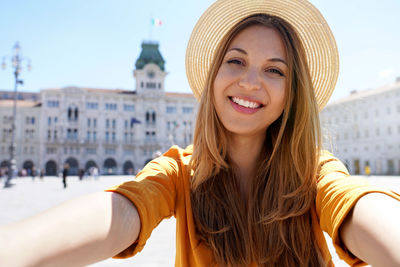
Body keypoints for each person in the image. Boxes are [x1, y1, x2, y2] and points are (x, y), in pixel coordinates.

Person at [1, 0, 400, 266]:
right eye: (235, 60)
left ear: (291, 95)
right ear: (213, 78)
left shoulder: (313, 172)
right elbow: (124, 210)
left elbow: (356, 204)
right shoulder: (177, 172)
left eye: (274, 70)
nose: (249, 81)